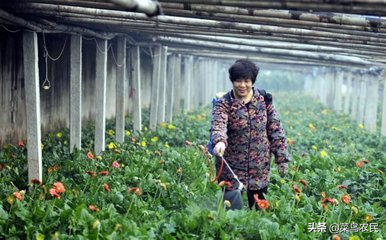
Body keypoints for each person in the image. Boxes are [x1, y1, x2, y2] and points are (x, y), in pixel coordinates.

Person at [210, 59, 291, 210]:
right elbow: (218, 124)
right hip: (232, 168)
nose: (242, 85)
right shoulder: (224, 103)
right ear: (232, 81)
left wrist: (282, 158)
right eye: (238, 81)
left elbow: (276, 130)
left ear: (252, 81)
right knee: (231, 212)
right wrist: (219, 141)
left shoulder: (264, 101)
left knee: (259, 211)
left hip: (258, 167)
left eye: (246, 81)